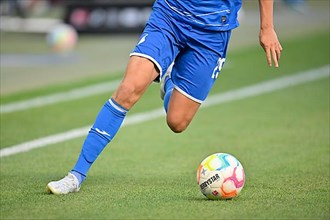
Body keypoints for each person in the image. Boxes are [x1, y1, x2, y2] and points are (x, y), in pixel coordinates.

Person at [46, 0, 282, 195]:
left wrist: (266, 27)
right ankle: (75, 176)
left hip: (212, 32)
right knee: (128, 90)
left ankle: (168, 80)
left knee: (177, 122)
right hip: (170, 16)